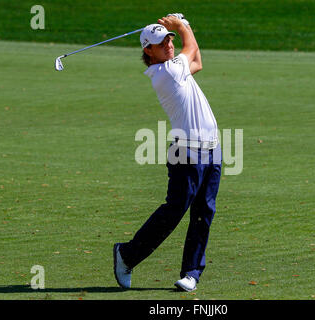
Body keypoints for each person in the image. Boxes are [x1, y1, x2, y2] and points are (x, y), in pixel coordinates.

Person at [113, 13, 222, 292]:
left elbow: (197, 60)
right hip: (187, 152)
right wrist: (182, 24)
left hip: (212, 150)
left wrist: (180, 27)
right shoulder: (166, 73)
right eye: (162, 43)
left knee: (203, 213)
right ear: (148, 50)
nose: (169, 45)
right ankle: (126, 255)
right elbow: (191, 50)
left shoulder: (176, 68)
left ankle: (191, 274)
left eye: (170, 40)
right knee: (174, 211)